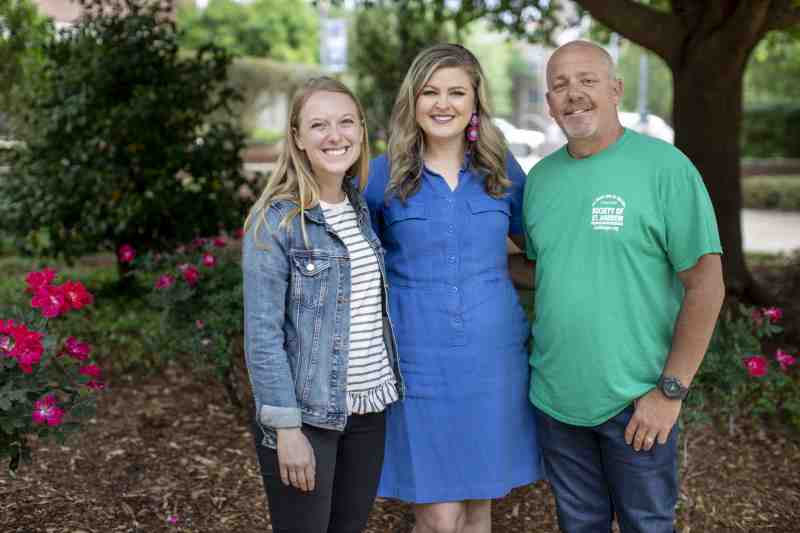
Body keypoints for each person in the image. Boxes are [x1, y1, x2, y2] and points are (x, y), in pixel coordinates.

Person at [523, 40, 725, 533]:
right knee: (579, 525)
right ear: (549, 104)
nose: (573, 95)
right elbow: (545, 268)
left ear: (615, 90)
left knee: (647, 525)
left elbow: (706, 285)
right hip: (557, 401)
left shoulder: (666, 169)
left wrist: (670, 392)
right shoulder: (540, 181)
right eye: (560, 86)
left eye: (586, 81)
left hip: (637, 402)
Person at [364, 43, 542, 533]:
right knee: (440, 516)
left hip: (493, 360)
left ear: (474, 102)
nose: (442, 104)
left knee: (479, 507)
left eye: (456, 92)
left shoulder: (502, 171)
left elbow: (538, 249)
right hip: (417, 363)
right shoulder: (384, 175)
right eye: (430, 92)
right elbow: (359, 262)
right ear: (413, 101)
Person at [242, 77, 404, 533]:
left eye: (346, 122)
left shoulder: (359, 209)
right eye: (319, 125)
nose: (335, 136)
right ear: (297, 137)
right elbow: (262, 336)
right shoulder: (275, 220)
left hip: (369, 412)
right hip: (308, 418)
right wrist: (286, 431)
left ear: (361, 131)